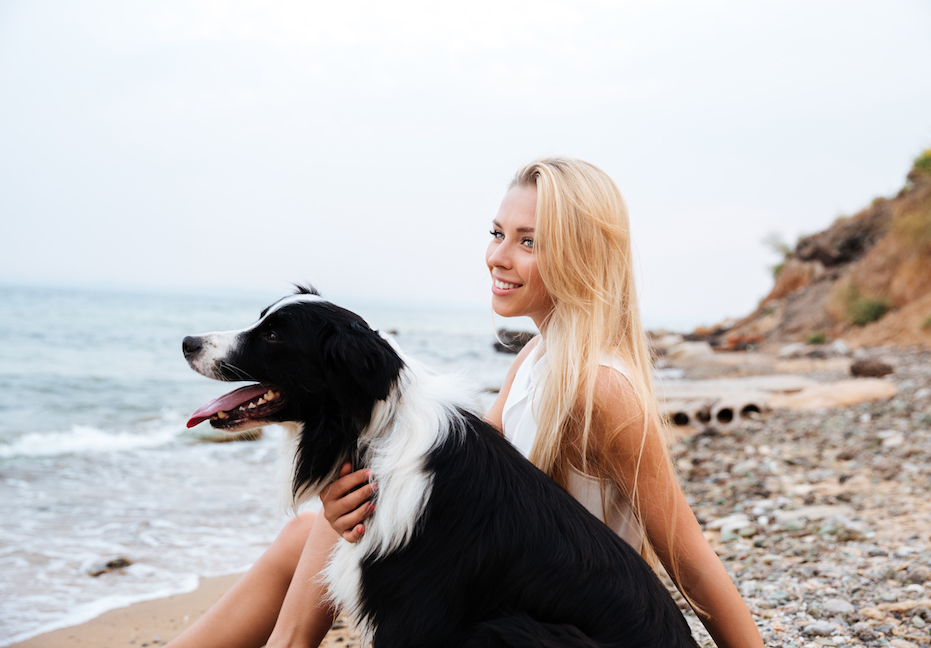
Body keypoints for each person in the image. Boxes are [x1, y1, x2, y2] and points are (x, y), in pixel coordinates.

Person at [167, 158, 764, 648]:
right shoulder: (534, 361)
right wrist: (338, 502)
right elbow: (466, 479)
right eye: (497, 233)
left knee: (333, 525)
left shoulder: (602, 385)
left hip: (557, 625)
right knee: (310, 529)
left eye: (529, 242)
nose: (500, 257)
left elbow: (688, 558)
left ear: (585, 255)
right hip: (509, 594)